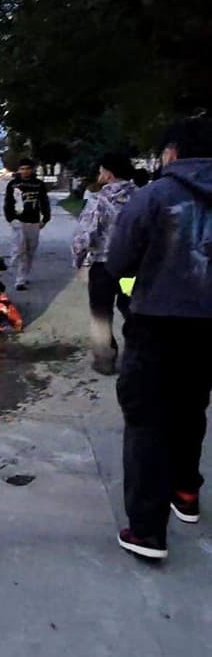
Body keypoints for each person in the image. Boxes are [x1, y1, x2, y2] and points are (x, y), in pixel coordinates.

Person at [107, 117, 212, 560]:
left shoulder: (152, 198)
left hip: (157, 326)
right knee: (192, 408)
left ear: (172, 152)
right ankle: (186, 492)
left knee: (148, 421)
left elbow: (119, 263)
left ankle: (148, 531)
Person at [71, 154, 137, 375]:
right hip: (131, 270)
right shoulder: (143, 197)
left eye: (101, 172)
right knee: (132, 309)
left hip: (104, 268)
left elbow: (85, 235)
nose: (99, 176)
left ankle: (105, 360)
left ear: (109, 174)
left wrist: (78, 259)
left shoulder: (99, 200)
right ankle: (136, 358)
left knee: (101, 312)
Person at [3, 157, 51, 290]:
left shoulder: (39, 184)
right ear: (19, 170)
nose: (25, 171)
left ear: (32, 169)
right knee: (20, 249)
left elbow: (44, 202)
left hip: (34, 221)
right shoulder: (13, 184)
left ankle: (24, 275)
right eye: (22, 169)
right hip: (18, 221)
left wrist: (45, 219)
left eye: (27, 169)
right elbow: (8, 203)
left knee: (30, 250)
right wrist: (10, 219)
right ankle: (19, 279)